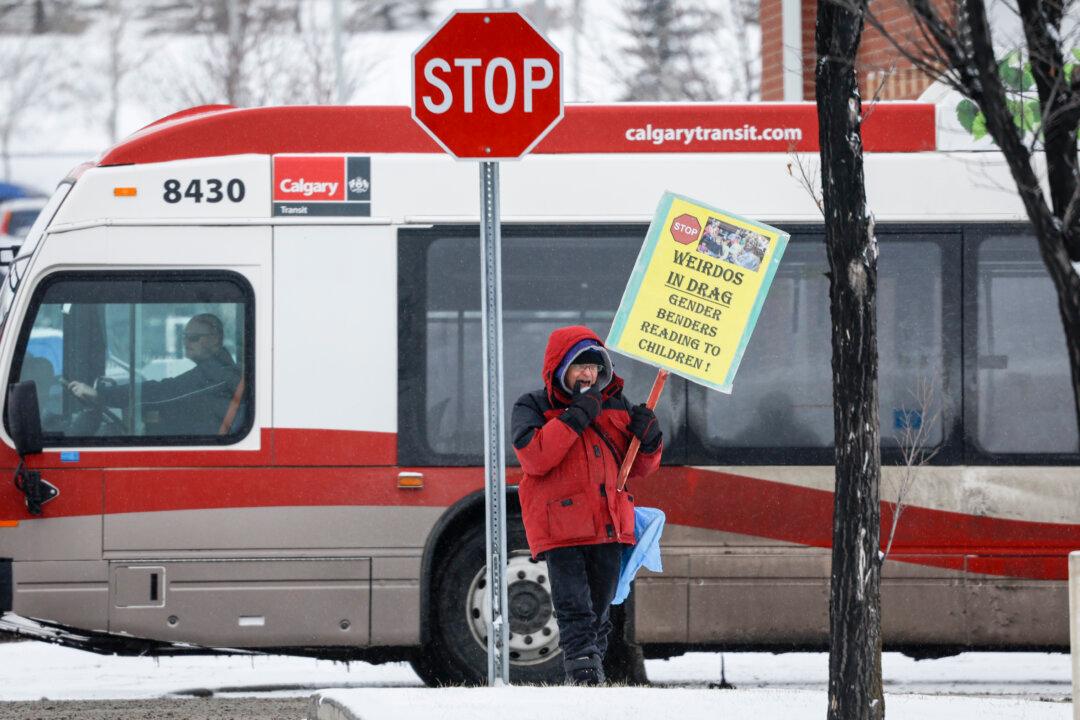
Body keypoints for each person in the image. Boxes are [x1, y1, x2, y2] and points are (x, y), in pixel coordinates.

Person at [511, 325, 663, 685]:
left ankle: (588, 678)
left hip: (608, 527)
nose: (589, 374)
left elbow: (640, 467)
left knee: (600, 609)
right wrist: (577, 415)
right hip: (561, 531)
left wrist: (651, 438)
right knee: (575, 609)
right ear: (560, 367)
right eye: (581, 366)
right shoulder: (533, 406)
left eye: (595, 367)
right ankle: (584, 677)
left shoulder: (616, 404)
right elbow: (535, 458)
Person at [67, 313, 242, 436]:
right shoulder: (214, 370)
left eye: (194, 337)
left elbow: (166, 392)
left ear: (215, 339)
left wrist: (101, 395)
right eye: (184, 337)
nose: (186, 342)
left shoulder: (219, 375)